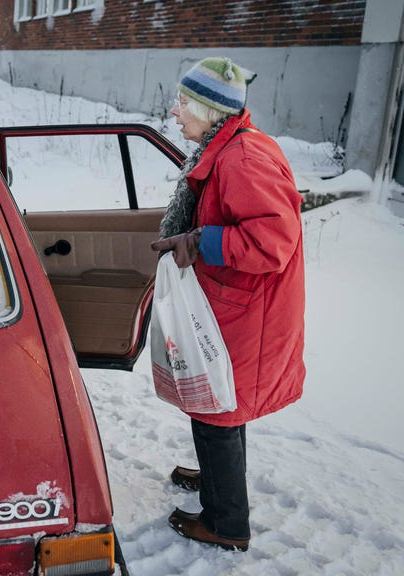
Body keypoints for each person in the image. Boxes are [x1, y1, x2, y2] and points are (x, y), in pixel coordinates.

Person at [150, 57, 306, 552]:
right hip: (238, 307)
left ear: (208, 109)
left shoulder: (243, 159)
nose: (175, 113)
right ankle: (218, 480)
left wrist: (197, 241)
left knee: (215, 408)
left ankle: (225, 522)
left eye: (182, 104)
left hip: (246, 312)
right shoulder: (235, 146)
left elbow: (272, 241)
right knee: (221, 403)